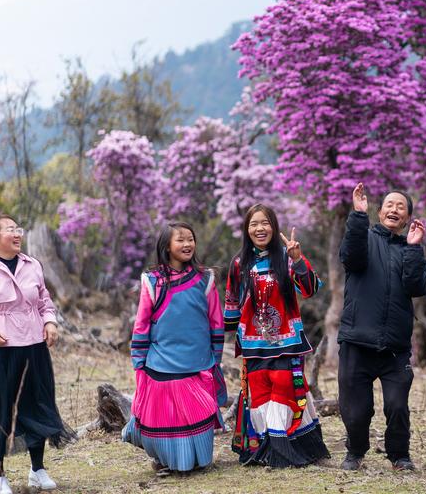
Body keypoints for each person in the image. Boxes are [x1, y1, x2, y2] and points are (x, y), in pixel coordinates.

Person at [0, 214, 76, 494]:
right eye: (10, 230)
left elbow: (44, 300)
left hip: (33, 348)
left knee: (37, 405)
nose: (17, 234)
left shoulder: (32, 265)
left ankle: (38, 470)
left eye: (18, 229)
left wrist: (49, 321)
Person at [224, 203, 329, 467]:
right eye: (253, 224)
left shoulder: (286, 258)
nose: (260, 229)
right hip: (253, 344)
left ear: (274, 226)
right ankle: (267, 450)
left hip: (286, 342)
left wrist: (297, 259)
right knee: (258, 397)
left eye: (265, 223)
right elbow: (232, 305)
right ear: (246, 230)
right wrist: (221, 334)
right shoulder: (239, 264)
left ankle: (287, 450)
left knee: (284, 389)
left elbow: (309, 290)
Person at [122, 221, 227, 475]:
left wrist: (215, 358)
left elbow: (216, 321)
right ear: (167, 246)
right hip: (161, 361)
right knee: (164, 417)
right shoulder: (152, 281)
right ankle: (166, 460)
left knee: (198, 413)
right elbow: (142, 324)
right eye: (180, 240)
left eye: (190, 239)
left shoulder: (205, 279)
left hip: (198, 361)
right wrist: (139, 361)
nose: (187, 244)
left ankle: (195, 460)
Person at [338, 183, 426, 471]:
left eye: (401, 207)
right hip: (357, 340)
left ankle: (399, 456)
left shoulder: (410, 250)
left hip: (395, 347)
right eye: (389, 204)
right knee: (356, 410)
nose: (394, 209)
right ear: (379, 212)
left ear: (407, 218)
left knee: (398, 406)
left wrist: (414, 248)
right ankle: (355, 452)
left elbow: (418, 287)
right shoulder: (362, 238)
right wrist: (358, 215)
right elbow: (350, 257)